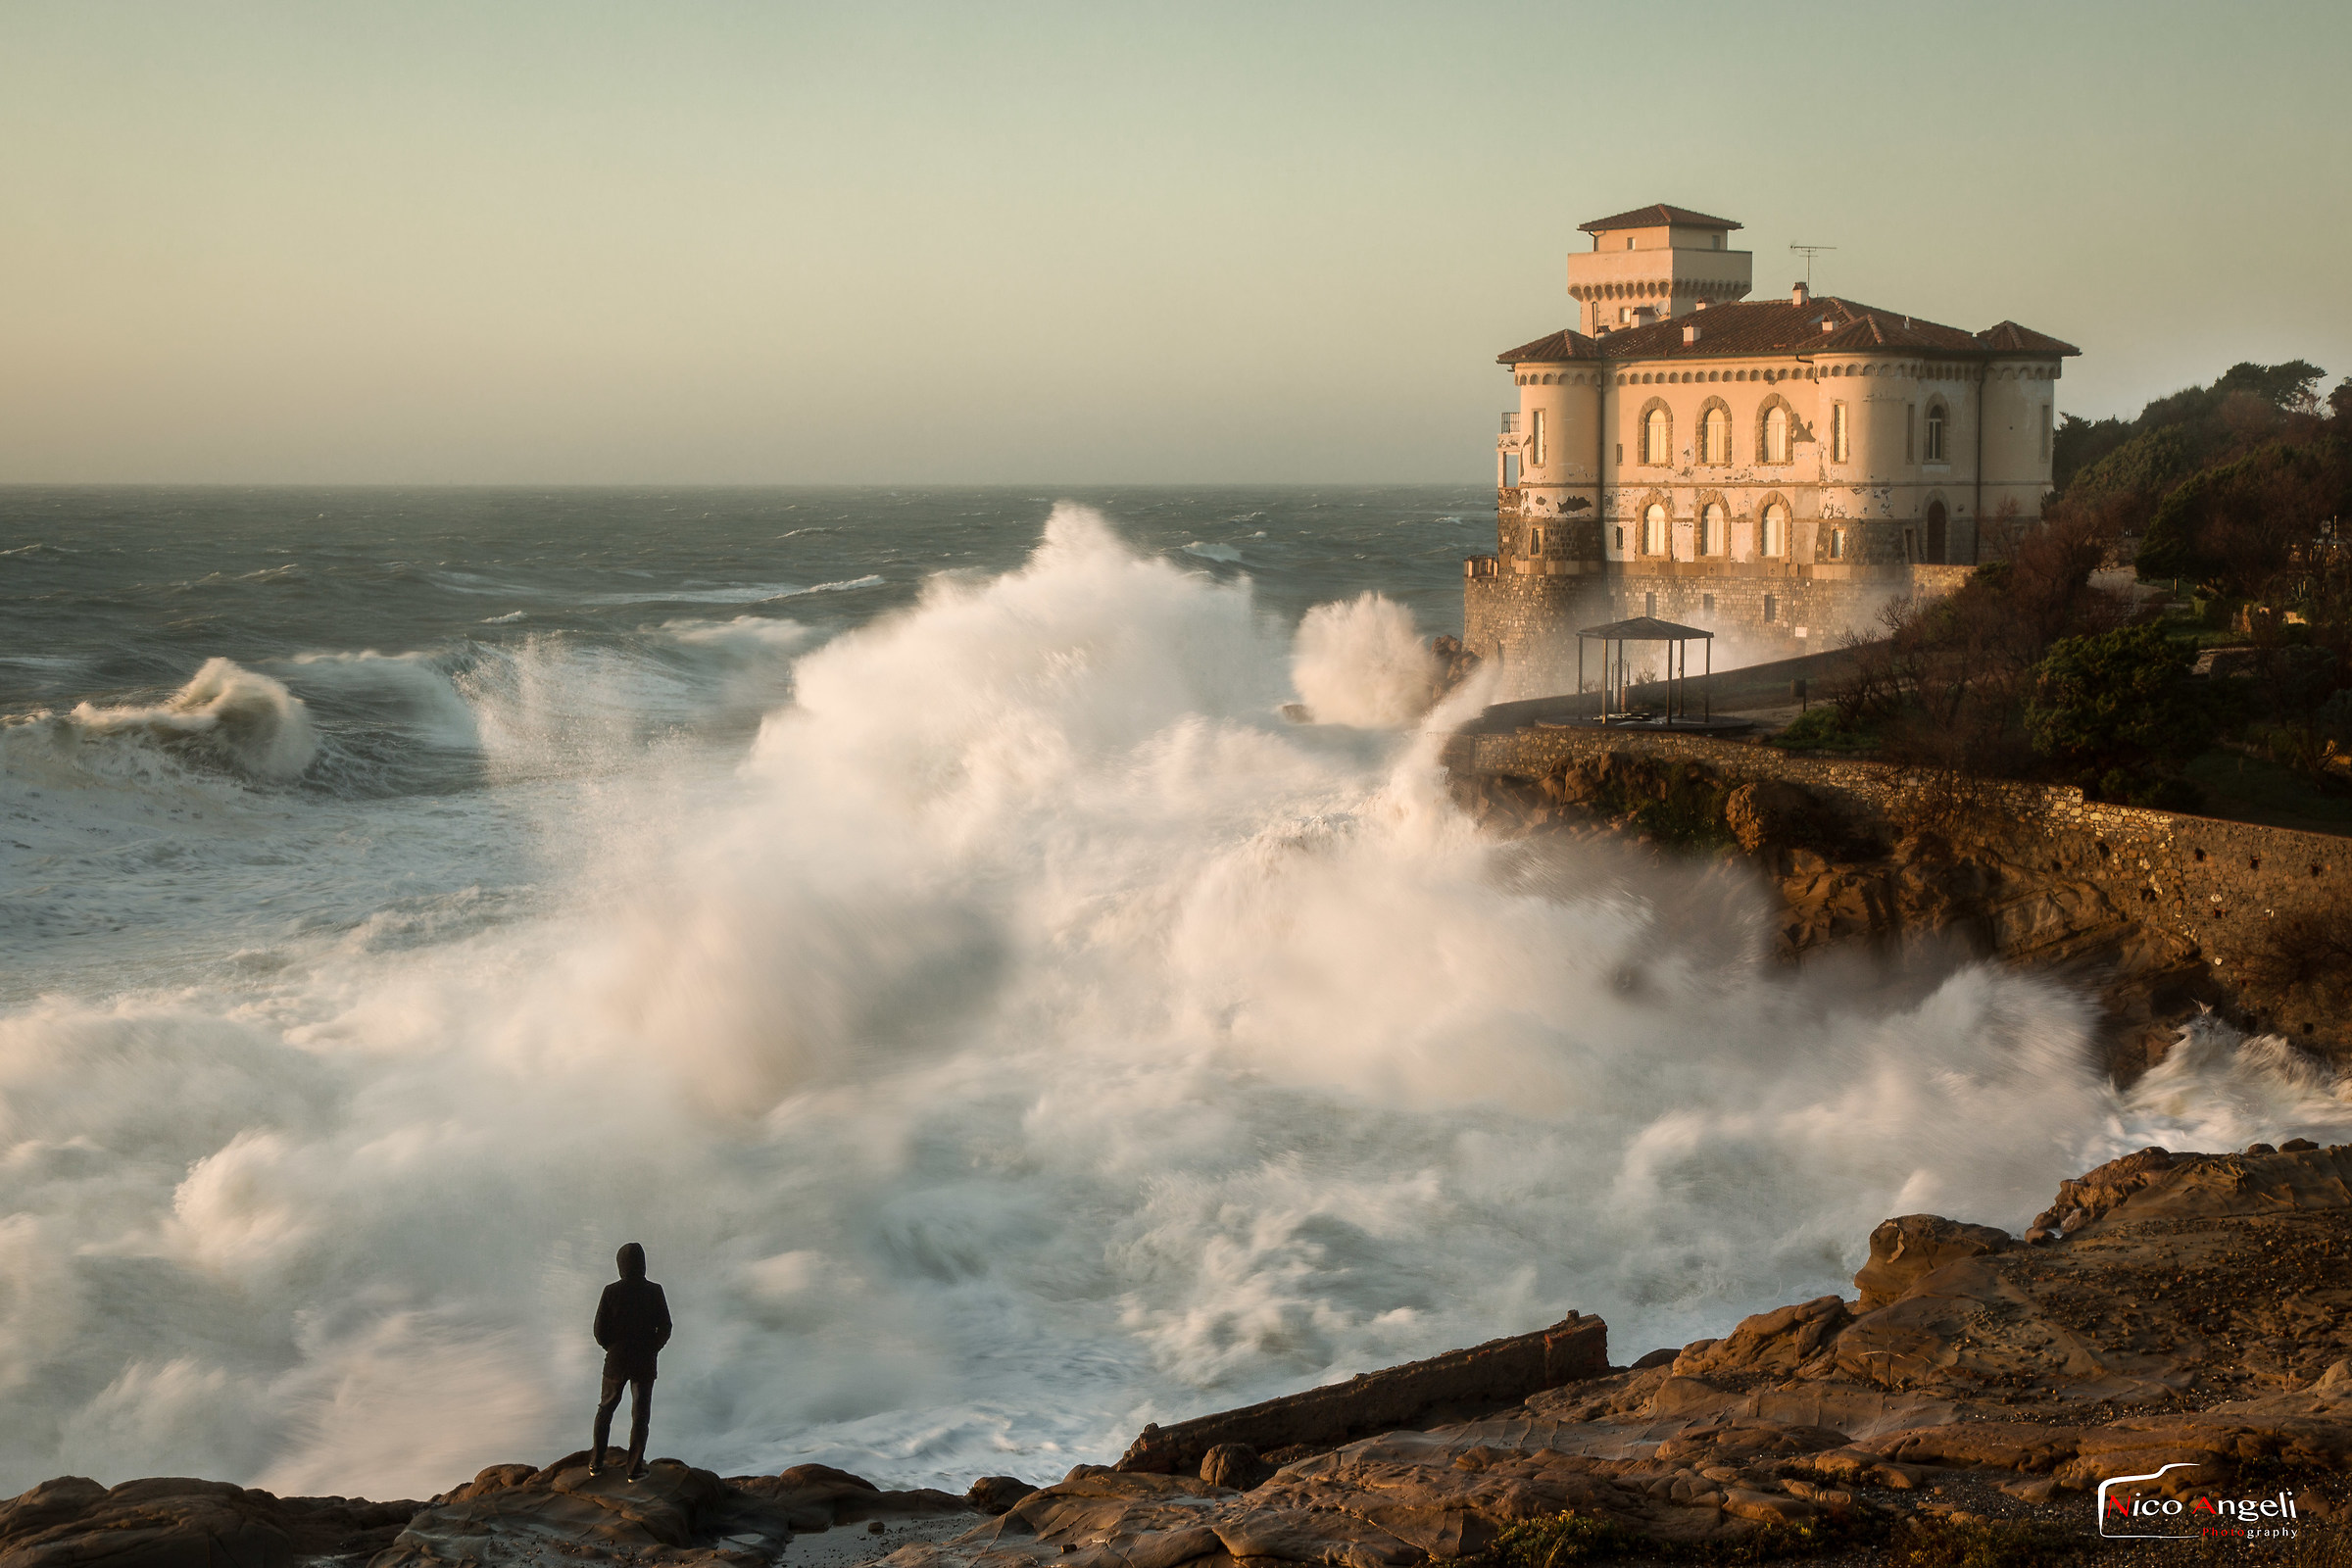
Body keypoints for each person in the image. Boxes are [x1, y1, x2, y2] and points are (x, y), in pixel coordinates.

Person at [590, 1242, 672, 1480]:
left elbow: (599, 1330)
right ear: (642, 1263)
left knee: (605, 1409)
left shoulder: (610, 1291)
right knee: (640, 1416)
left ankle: (596, 1464)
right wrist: (653, 1347)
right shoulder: (655, 1290)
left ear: (620, 1265)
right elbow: (665, 1326)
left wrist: (612, 1347)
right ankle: (634, 1469)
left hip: (616, 1360)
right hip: (644, 1361)